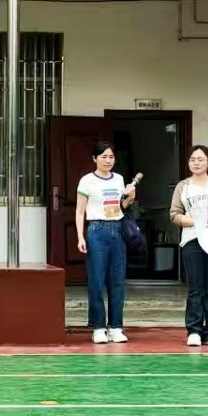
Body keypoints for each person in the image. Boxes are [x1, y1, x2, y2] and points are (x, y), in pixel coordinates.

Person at [169, 144, 208, 347]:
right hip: (192, 240)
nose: (196, 163)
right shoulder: (183, 186)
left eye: (200, 159)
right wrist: (192, 221)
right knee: (195, 287)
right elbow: (174, 214)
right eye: (192, 159)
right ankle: (194, 330)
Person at [76, 140, 137, 345]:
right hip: (96, 230)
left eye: (111, 157)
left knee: (117, 280)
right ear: (95, 159)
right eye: (103, 156)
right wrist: (80, 236)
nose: (108, 160)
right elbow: (80, 210)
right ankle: (99, 327)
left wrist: (131, 196)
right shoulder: (86, 181)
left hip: (117, 230)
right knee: (96, 280)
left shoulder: (118, 179)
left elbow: (123, 205)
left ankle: (116, 326)